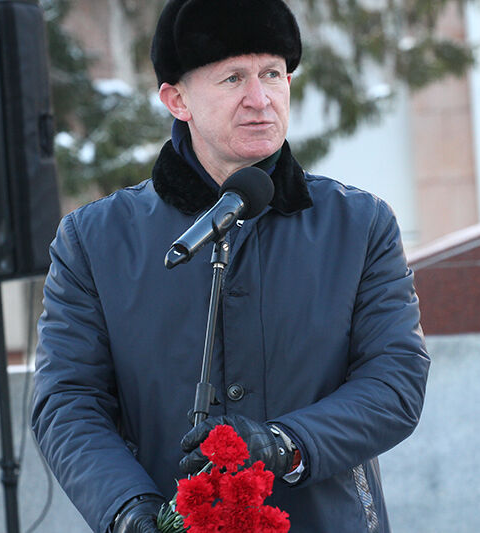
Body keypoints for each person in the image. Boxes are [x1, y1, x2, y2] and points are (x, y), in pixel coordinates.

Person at [31, 0, 430, 532]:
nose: (260, 99)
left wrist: (286, 443)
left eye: (272, 74)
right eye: (233, 78)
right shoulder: (94, 240)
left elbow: (395, 381)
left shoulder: (359, 225)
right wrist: (127, 510)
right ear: (177, 100)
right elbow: (67, 402)